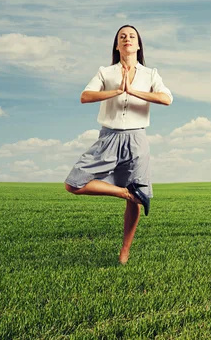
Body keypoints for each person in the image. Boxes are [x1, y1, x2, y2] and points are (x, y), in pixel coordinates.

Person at [64, 25, 173, 265]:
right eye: (122, 36)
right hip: (109, 137)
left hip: (137, 139)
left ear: (138, 44)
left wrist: (132, 91)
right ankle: (123, 191)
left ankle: (124, 252)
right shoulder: (106, 72)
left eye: (132, 36)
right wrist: (116, 91)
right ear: (117, 45)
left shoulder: (150, 74)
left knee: (136, 198)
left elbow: (166, 98)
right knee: (73, 184)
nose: (127, 39)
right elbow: (85, 96)